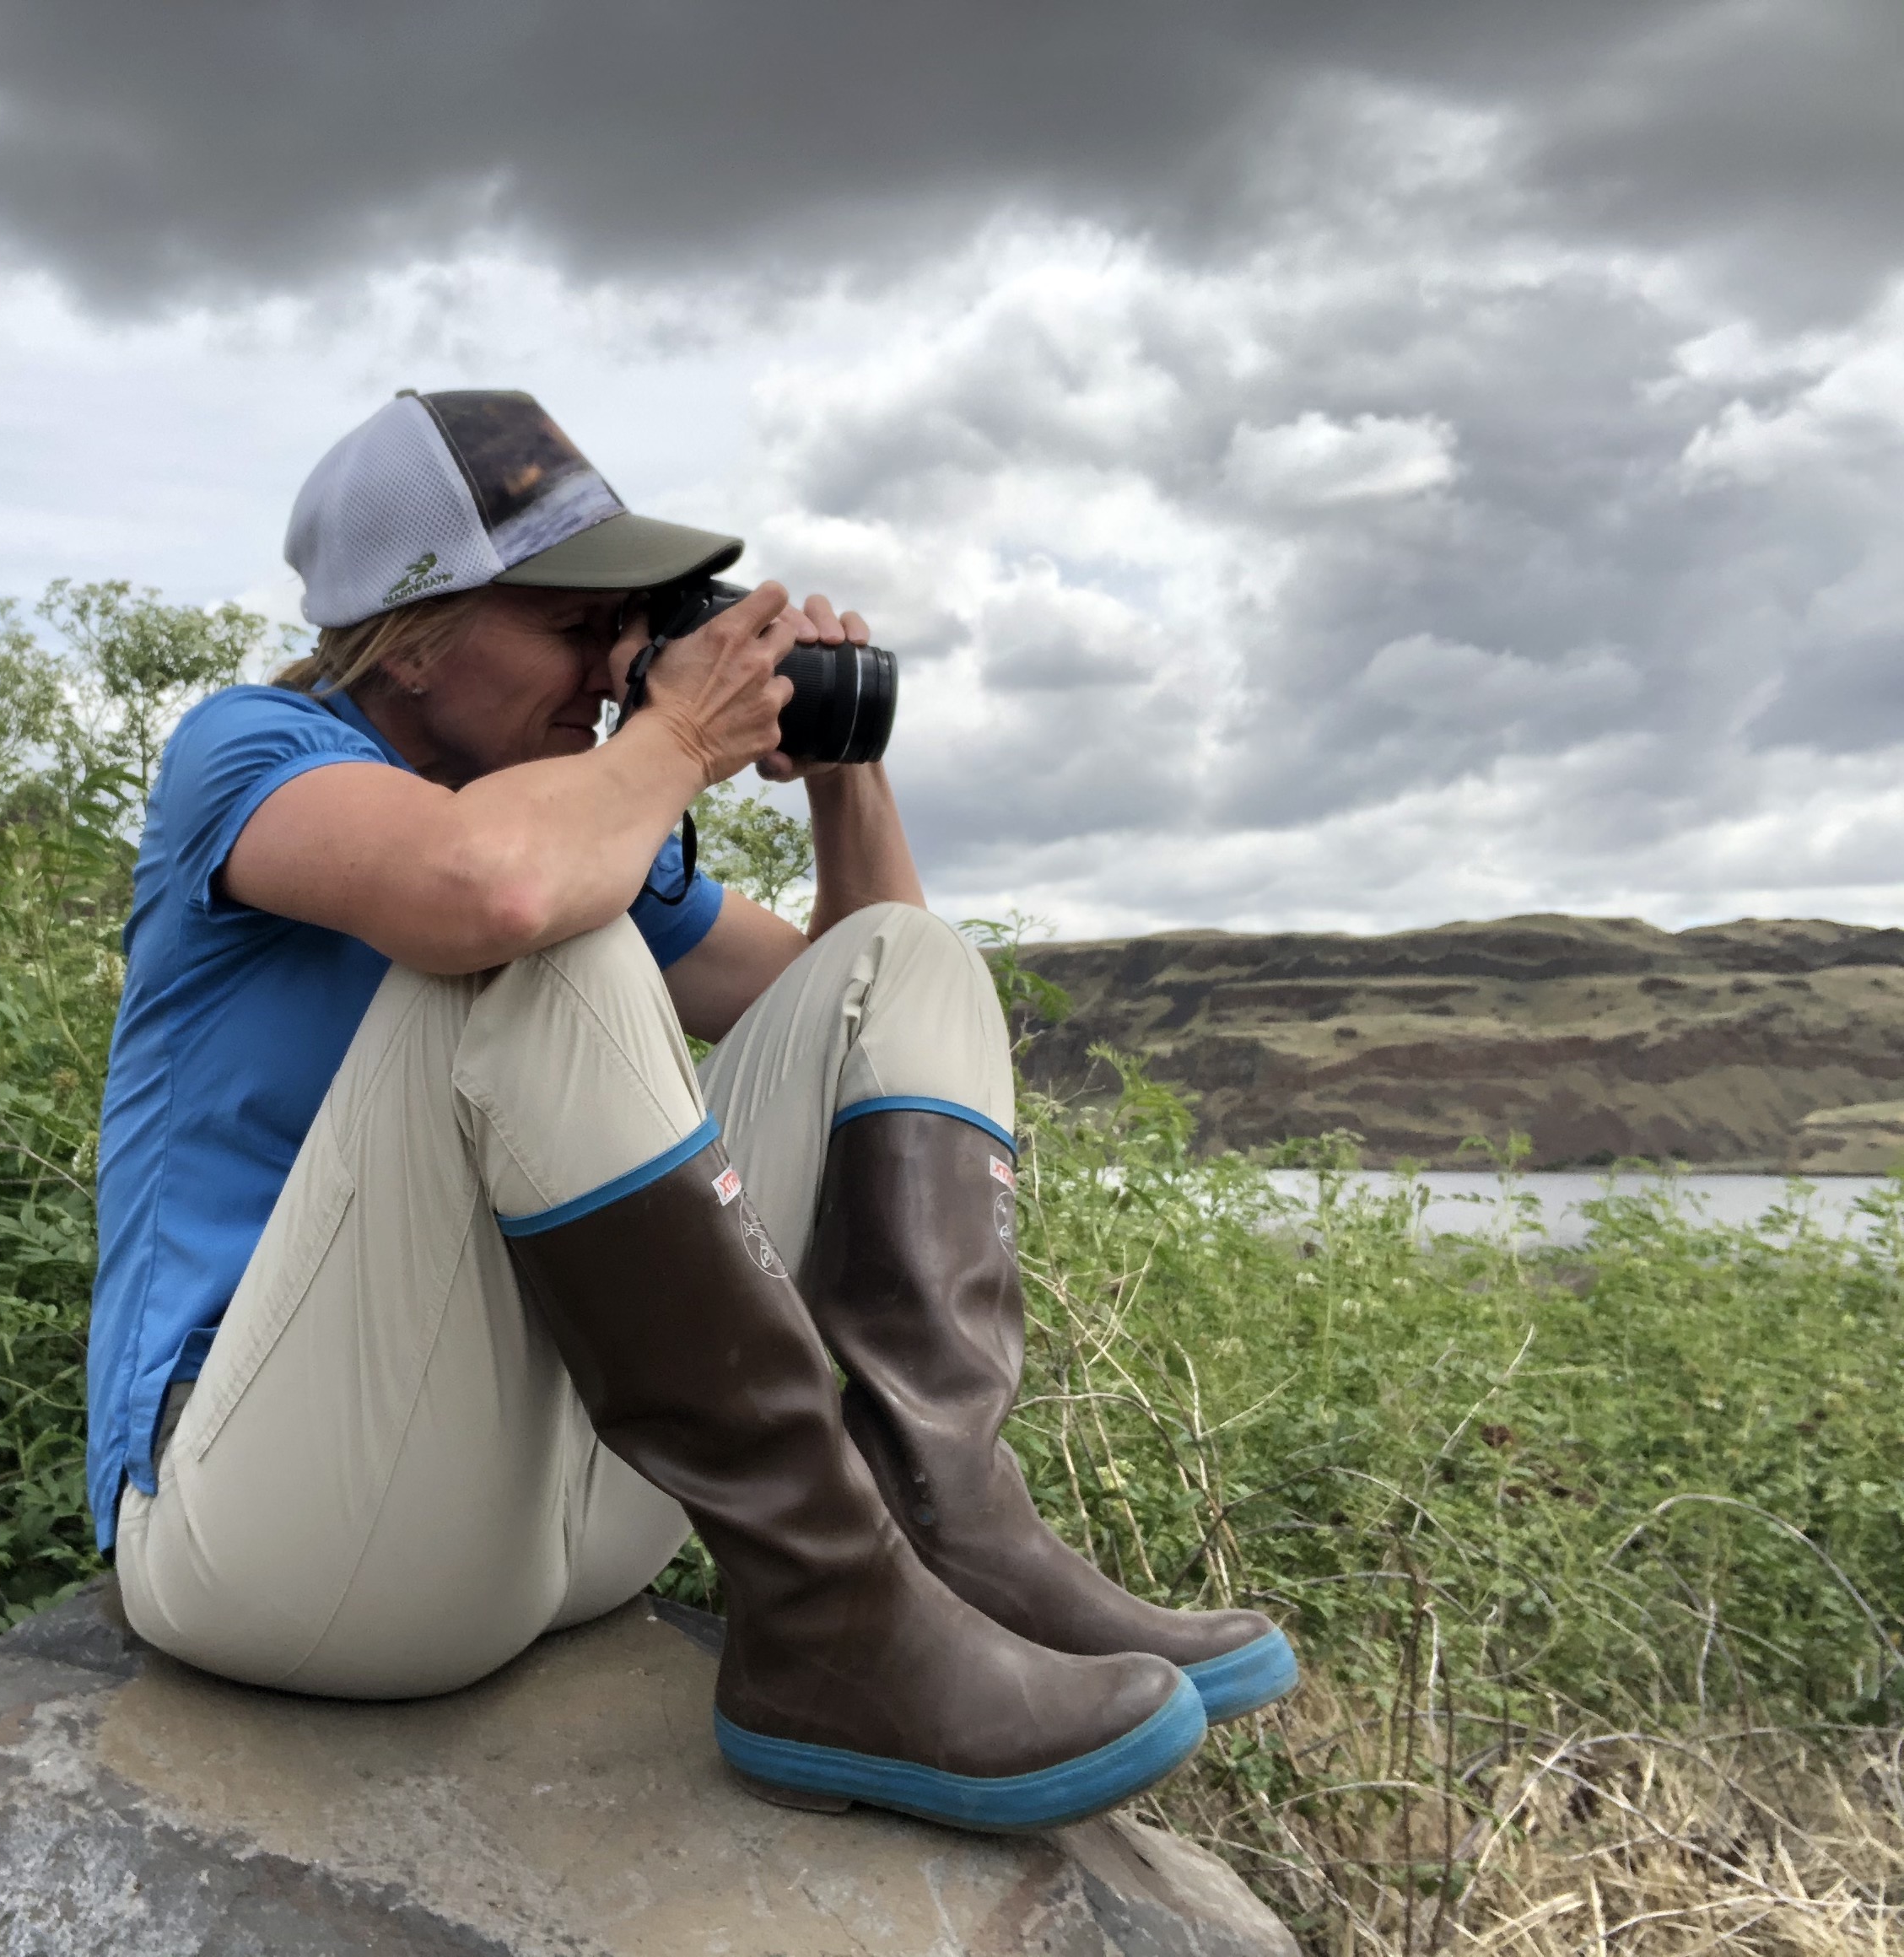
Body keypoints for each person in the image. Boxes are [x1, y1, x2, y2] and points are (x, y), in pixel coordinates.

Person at [87, 389, 1296, 1832]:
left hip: (564, 1524)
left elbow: (846, 1013)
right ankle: (844, 1609)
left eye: (632, 625)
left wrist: (845, 771)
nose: (613, 666)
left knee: (906, 960)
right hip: (272, 1531)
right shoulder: (251, 752)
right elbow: (490, 893)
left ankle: (929, 1543)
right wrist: (676, 739)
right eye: (575, 623)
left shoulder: (570, 821)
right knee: (548, 945)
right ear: (411, 634)